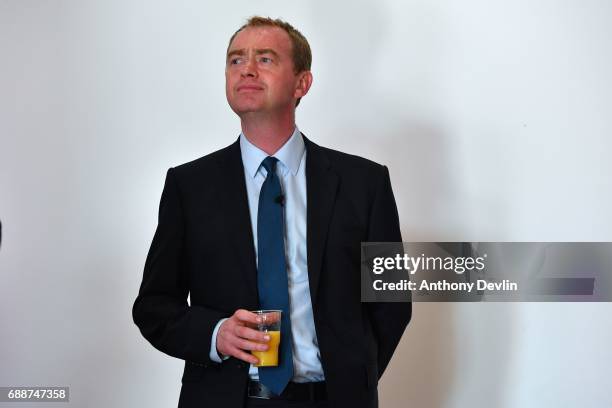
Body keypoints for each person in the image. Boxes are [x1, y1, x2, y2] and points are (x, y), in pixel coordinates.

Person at [132, 16, 411, 408]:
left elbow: (392, 303)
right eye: (235, 60)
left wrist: (351, 379)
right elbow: (154, 306)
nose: (245, 69)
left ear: (302, 83)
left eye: (265, 59)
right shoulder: (188, 186)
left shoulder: (365, 183)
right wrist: (216, 335)